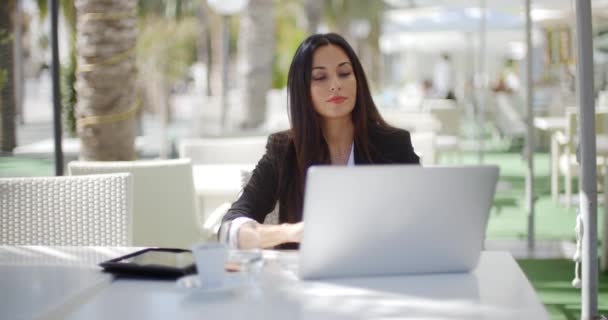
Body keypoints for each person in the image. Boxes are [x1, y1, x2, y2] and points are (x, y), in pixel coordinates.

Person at [219, 33, 420, 250]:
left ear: (358, 81)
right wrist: (291, 232)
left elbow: (425, 215)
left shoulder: (394, 144)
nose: (335, 85)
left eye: (344, 73)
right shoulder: (283, 150)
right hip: (305, 280)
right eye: (320, 77)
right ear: (302, 89)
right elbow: (229, 229)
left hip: (378, 275)